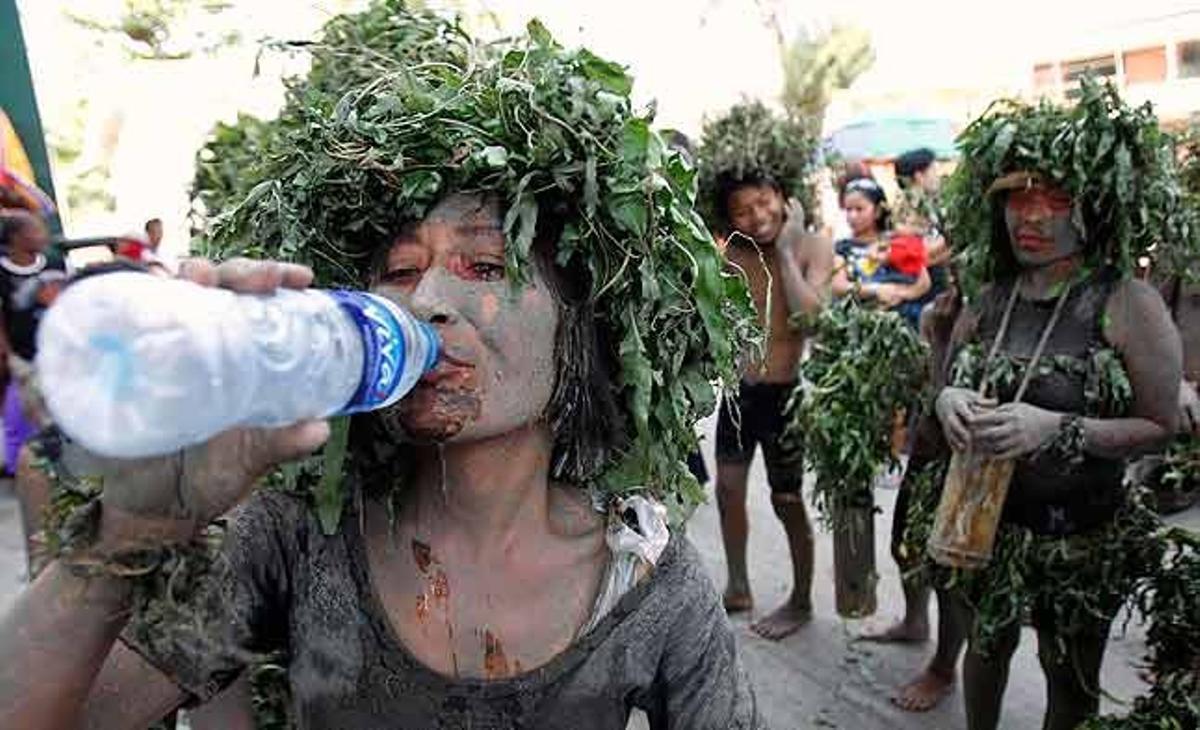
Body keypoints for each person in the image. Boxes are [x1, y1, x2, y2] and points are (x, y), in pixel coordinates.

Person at [0, 11, 763, 729]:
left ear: (580, 330)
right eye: (398, 271)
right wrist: (122, 541)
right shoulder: (299, 536)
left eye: (485, 264)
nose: (427, 300)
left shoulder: (649, 587)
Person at [930, 82, 1183, 730]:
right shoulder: (990, 296)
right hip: (987, 525)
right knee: (985, 652)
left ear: (1091, 207)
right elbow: (942, 382)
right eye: (1017, 198)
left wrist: (1057, 429)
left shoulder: (1128, 302)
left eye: (1053, 200)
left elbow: (1159, 427)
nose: (1030, 217)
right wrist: (947, 397)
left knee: (1069, 678)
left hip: (1082, 536)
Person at [698, 102, 834, 640]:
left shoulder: (812, 246)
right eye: (743, 210)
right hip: (738, 392)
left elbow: (810, 317)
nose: (757, 217)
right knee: (728, 490)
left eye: (765, 202)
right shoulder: (728, 251)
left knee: (787, 499)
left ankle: (801, 600)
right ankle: (738, 585)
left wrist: (783, 252)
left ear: (784, 195)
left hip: (785, 396)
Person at [0, 211, 65, 474]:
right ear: (16, 238)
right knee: (33, 411)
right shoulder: (3, 273)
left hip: (57, 352)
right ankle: (34, 468)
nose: (43, 235)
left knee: (60, 408)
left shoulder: (54, 262)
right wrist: (6, 352)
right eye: (35, 230)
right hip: (24, 355)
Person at [831, 176, 931, 329]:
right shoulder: (843, 248)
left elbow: (923, 282)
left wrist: (900, 293)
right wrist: (876, 290)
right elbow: (839, 286)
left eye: (859, 209)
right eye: (848, 210)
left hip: (905, 322)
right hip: (862, 324)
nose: (852, 216)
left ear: (877, 211)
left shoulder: (898, 241)